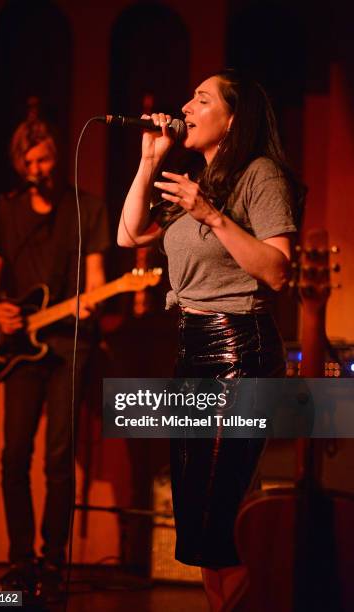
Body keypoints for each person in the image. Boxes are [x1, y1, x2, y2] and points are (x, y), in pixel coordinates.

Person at [117, 69, 303, 611]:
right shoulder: (197, 178)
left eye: (201, 98)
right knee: (198, 532)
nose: (186, 106)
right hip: (191, 347)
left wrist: (211, 216)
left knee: (221, 523)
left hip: (239, 349)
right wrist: (150, 159)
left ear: (233, 118)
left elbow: (277, 271)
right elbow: (129, 235)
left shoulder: (259, 176)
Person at [0, 118, 109, 599]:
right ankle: (20, 560)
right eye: (29, 162)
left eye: (45, 158)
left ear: (58, 157)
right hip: (21, 350)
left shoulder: (87, 208)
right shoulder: (8, 213)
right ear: (20, 166)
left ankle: (53, 561)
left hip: (69, 346)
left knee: (59, 458)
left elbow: (97, 279)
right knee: (13, 456)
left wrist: (94, 298)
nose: (38, 169)